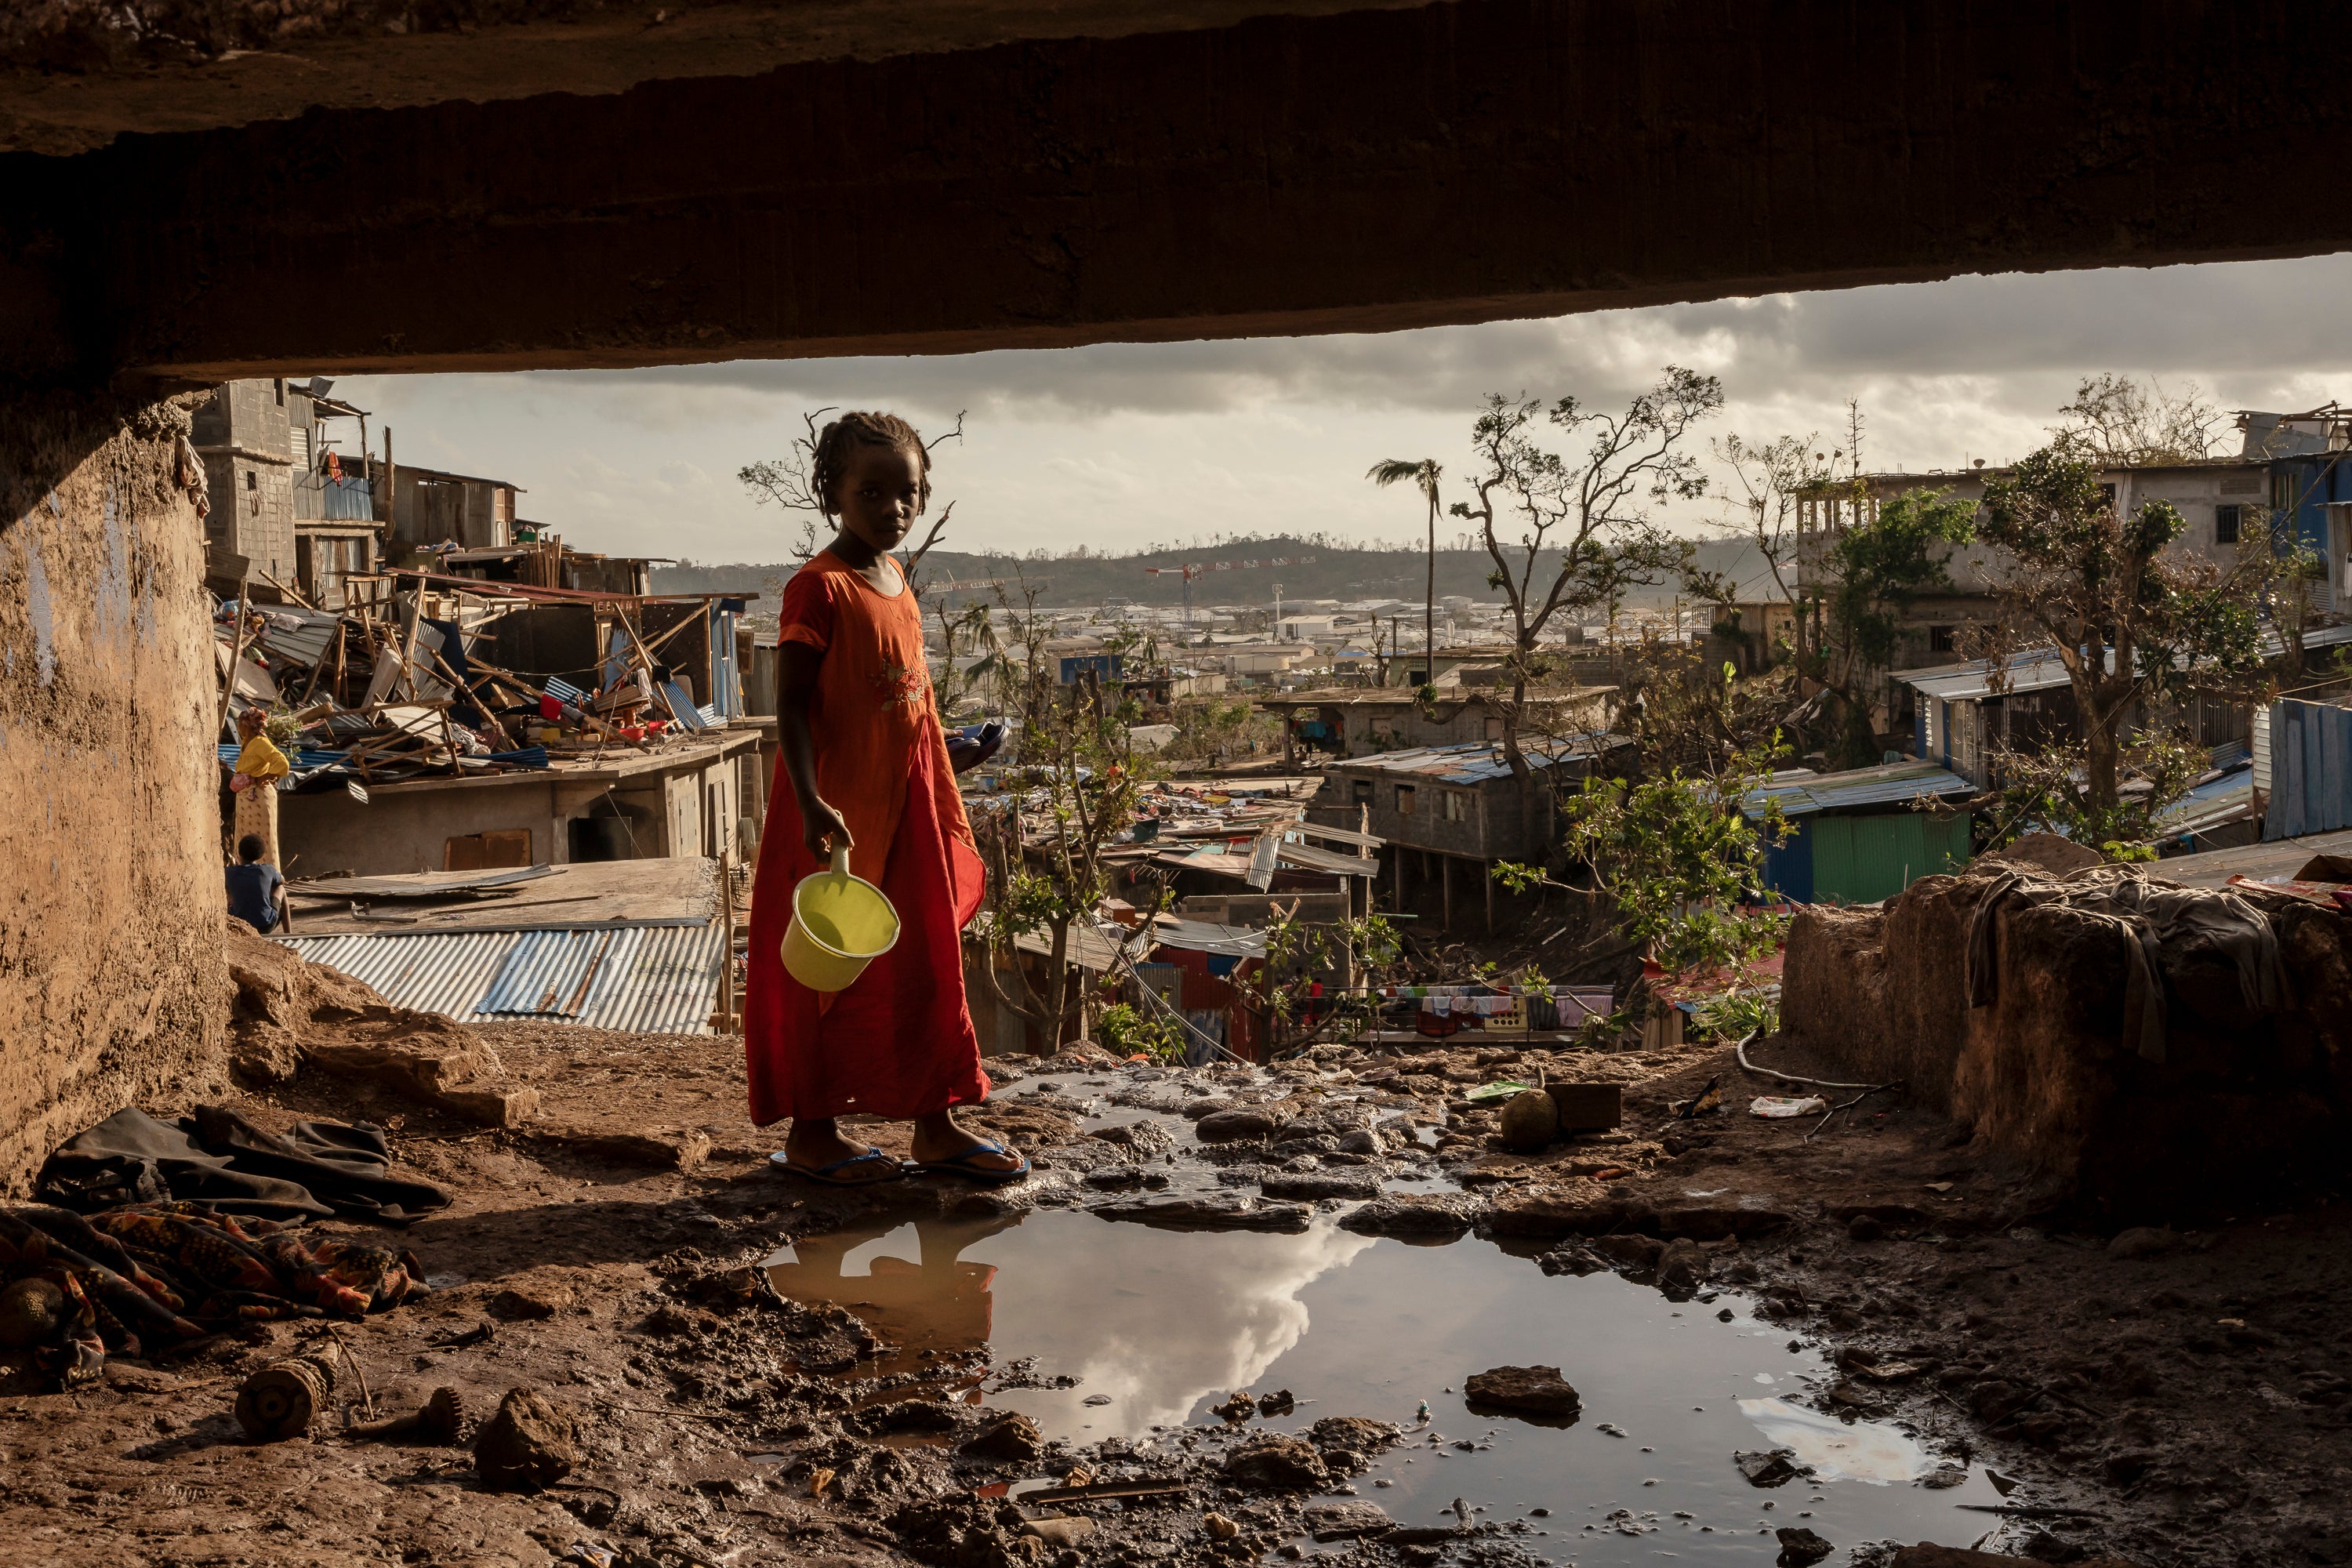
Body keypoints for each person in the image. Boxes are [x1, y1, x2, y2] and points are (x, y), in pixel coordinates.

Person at [742, 412, 1027, 1188]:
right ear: (832, 491)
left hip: (906, 811)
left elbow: (908, 705)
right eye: (872, 492)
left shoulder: (898, 582)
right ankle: (811, 1132)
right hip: (834, 819)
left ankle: (936, 1125)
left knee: (926, 963)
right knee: (823, 977)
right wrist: (809, 800)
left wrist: (954, 755)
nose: (893, 509)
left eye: (907, 494)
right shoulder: (818, 589)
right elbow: (792, 710)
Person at [228, 706, 291, 867]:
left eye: (240, 723)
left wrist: (264, 776)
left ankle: (268, 879)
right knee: (244, 839)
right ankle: (247, 877)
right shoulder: (246, 742)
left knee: (261, 839)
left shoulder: (260, 742)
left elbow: (282, 762)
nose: (238, 727)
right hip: (246, 798)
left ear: (247, 724)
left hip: (257, 797)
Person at [225, 833, 288, 934]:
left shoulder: (229, 872)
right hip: (265, 926)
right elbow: (282, 881)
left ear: (239, 853)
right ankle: (289, 934)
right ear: (261, 854)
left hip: (238, 926)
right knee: (280, 888)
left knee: (230, 894)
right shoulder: (267, 869)